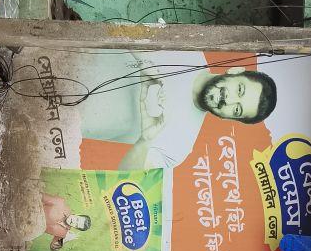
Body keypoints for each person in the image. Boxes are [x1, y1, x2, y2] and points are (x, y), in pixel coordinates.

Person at [78, 51, 277, 170]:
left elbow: (126, 177)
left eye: (237, 110)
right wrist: (144, 61)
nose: (228, 100)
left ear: (229, 119)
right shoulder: (186, 46)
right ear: (235, 71)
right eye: (239, 89)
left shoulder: (181, 146)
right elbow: (119, 28)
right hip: (73, 58)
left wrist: (144, 141)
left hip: (67, 117)